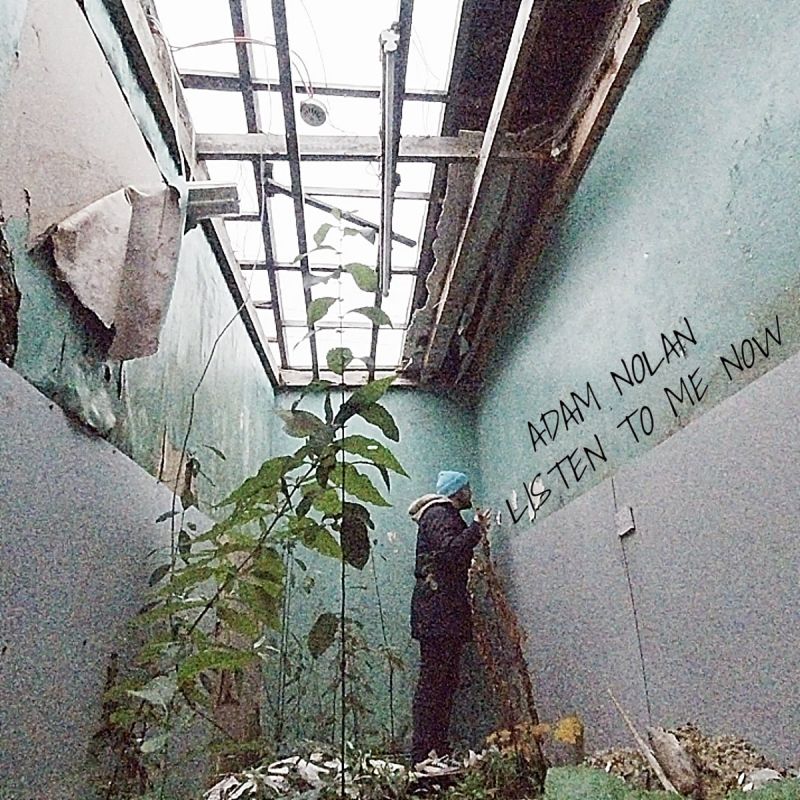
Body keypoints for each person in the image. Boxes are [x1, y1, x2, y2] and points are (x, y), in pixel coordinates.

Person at [408, 470, 492, 765]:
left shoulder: (439, 516)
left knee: (440, 682)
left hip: (438, 613)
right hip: (439, 614)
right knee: (436, 683)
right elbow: (448, 552)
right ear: (457, 491)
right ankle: (424, 752)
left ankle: (434, 751)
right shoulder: (440, 515)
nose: (470, 492)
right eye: (467, 487)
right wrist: (476, 529)